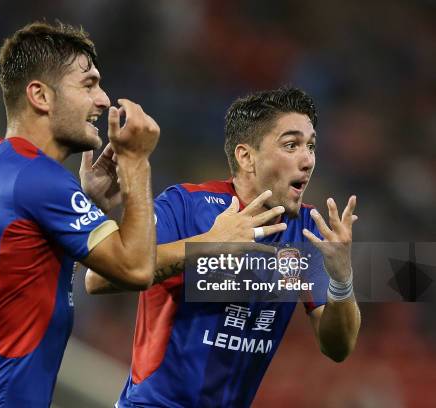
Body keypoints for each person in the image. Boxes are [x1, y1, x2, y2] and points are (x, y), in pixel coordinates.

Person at [0, 21, 161, 407]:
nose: (103, 100)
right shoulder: (37, 177)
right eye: (88, 84)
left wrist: (89, 205)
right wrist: (137, 163)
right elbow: (136, 269)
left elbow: (26, 270)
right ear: (40, 96)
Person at [86, 87, 361, 408]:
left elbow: (338, 348)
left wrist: (342, 280)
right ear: (246, 157)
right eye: (291, 145)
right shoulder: (185, 205)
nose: (308, 159)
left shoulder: (307, 231)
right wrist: (210, 246)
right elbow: (98, 279)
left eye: (311, 146)